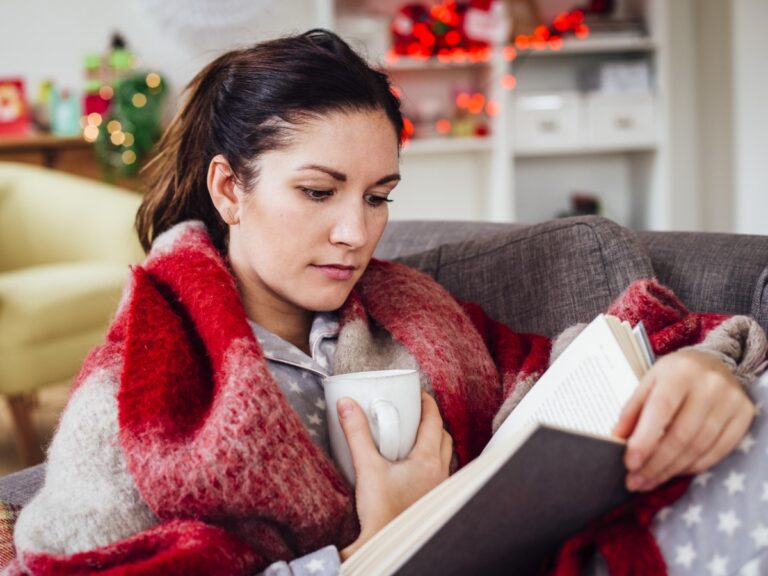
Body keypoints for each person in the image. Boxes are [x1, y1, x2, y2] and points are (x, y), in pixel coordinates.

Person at [5, 29, 766, 576]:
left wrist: (697, 367)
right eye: (318, 191)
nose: (356, 233)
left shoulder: (412, 311)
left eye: (378, 197)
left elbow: (545, 381)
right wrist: (373, 546)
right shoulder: (141, 379)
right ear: (229, 188)